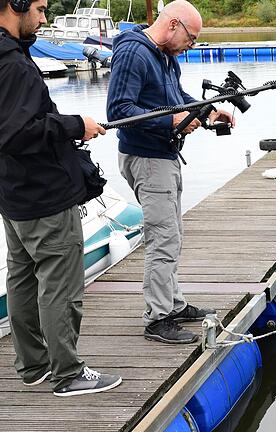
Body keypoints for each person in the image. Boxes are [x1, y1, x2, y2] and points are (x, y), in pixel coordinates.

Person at [0, 0, 122, 396]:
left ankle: (34, 366)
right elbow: (19, 133)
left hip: (13, 195)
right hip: (43, 197)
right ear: (15, 5)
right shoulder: (13, 64)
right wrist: (77, 124)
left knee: (22, 280)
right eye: (38, 7)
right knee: (60, 285)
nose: (44, 18)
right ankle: (67, 373)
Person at [107, 0, 235, 344]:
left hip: (163, 156)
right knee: (162, 237)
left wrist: (206, 113)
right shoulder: (134, 53)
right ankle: (158, 318)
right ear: (173, 25)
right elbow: (119, 110)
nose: (190, 47)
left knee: (172, 232)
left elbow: (176, 96)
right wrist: (171, 120)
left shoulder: (163, 56)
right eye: (190, 39)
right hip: (147, 158)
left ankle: (173, 304)